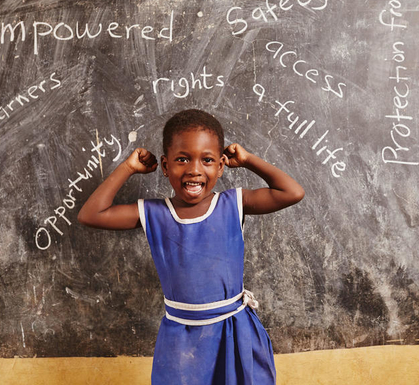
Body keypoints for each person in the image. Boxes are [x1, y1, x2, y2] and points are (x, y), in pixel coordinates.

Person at [78, 109, 305, 384]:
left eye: (207, 160)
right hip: (181, 341)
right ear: (164, 166)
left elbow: (292, 192)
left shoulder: (233, 203)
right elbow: (90, 215)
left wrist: (248, 160)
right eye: (182, 159)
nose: (194, 170)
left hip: (235, 332)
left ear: (221, 166)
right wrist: (128, 167)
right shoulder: (153, 213)